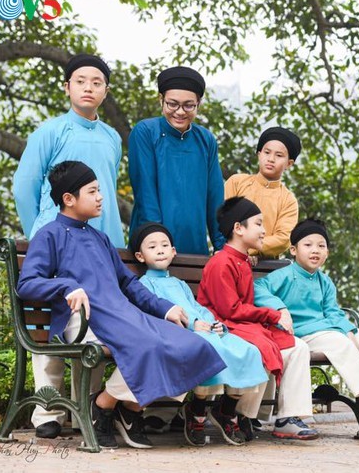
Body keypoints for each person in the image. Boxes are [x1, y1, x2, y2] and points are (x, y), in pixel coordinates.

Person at [16, 161, 227, 449]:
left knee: (190, 344)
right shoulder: (49, 235)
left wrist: (165, 308)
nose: (101, 197)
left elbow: (128, 284)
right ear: (68, 199)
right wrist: (66, 286)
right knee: (147, 347)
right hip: (85, 319)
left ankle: (115, 407)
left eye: (99, 190)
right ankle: (110, 410)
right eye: (92, 191)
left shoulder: (99, 238)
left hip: (123, 315)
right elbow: (27, 283)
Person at [12, 53, 124, 440]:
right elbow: (23, 186)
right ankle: (47, 413)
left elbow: (104, 190)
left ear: (105, 91)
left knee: (92, 322)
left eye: (96, 82)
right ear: (67, 87)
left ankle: (85, 412)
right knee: (49, 324)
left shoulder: (112, 137)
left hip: (100, 243)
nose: (88, 87)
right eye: (81, 81)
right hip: (55, 240)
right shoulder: (51, 131)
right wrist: (41, 231)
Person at [254, 219, 359, 419]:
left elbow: (333, 312)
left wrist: (348, 330)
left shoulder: (325, 282)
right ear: (293, 250)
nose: (315, 250)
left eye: (321, 246)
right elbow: (257, 288)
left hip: (324, 331)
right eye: (308, 245)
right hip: (299, 333)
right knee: (339, 342)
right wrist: (280, 308)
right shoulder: (284, 276)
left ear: (327, 253)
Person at [130, 222, 268, 446]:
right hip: (182, 333)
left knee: (249, 350)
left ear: (173, 251)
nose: (160, 250)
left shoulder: (180, 283)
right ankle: (198, 409)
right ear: (140, 255)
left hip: (206, 329)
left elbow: (198, 308)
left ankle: (228, 409)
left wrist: (215, 323)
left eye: (165, 245)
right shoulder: (145, 284)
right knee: (207, 348)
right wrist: (194, 325)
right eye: (152, 247)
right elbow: (155, 312)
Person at [197, 197, 319, 440]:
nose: (264, 230)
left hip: (244, 324)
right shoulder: (222, 262)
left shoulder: (242, 261)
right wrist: (271, 314)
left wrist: (273, 315)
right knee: (263, 348)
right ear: (238, 228)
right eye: (258, 224)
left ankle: (287, 417)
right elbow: (230, 310)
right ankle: (235, 413)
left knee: (297, 347)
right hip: (225, 326)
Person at [128, 66, 225, 255]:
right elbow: (145, 192)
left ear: (199, 103)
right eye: (172, 104)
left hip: (195, 245)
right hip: (151, 246)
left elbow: (215, 197)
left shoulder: (205, 139)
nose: (180, 112)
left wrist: (221, 246)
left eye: (189, 105)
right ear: (161, 100)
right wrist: (158, 243)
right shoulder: (145, 132)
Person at [224, 126, 301, 260]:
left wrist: (251, 249)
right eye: (267, 152)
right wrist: (238, 250)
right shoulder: (236, 182)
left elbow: (283, 239)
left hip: (266, 267)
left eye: (279, 155)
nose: (271, 159)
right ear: (259, 154)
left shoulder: (288, 200)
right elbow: (224, 219)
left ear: (289, 163)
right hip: (228, 258)